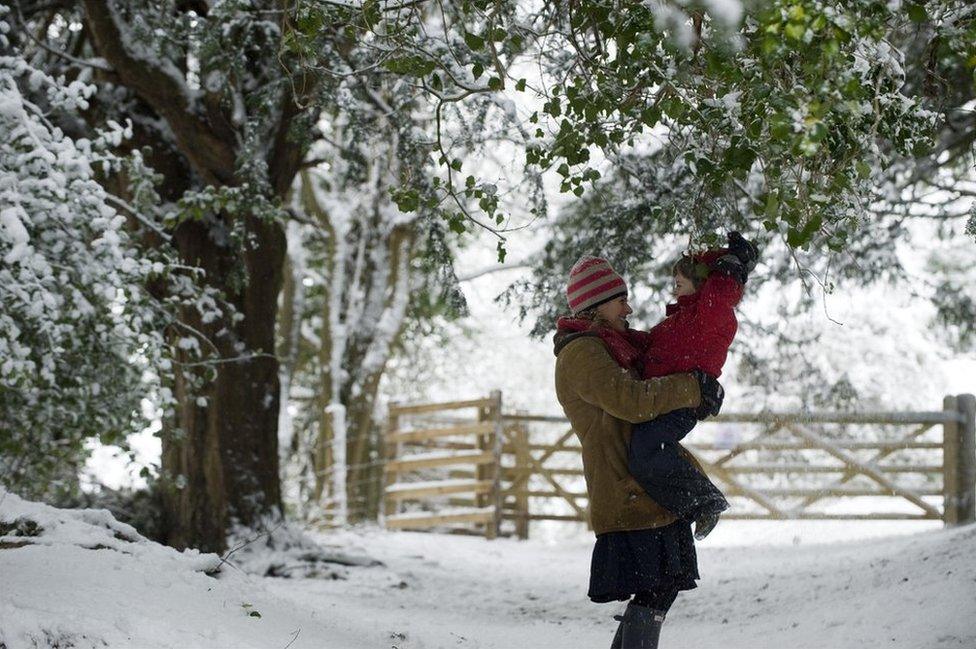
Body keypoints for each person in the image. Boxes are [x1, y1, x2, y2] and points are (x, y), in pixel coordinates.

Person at [553, 256, 725, 649]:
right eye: (620, 301)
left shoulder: (615, 346)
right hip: (624, 487)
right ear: (596, 306)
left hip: (644, 483)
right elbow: (631, 400)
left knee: (661, 589)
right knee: (657, 589)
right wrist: (692, 387)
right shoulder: (582, 353)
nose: (628, 309)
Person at [627, 231, 759, 540]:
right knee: (642, 455)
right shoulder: (677, 321)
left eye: (679, 282)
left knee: (646, 451)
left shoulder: (709, 315)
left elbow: (719, 293)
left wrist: (732, 266)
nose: (673, 289)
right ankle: (683, 512)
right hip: (662, 400)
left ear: (700, 283)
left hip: (680, 404)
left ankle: (703, 502)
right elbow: (648, 346)